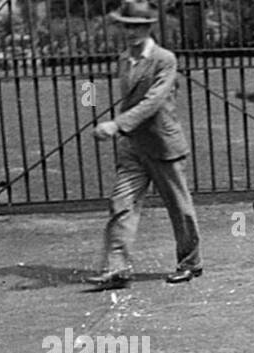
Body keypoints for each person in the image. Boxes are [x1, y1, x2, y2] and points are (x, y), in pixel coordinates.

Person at [87, 1, 202, 290]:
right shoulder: (124, 59)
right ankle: (117, 268)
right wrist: (124, 129)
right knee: (121, 204)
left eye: (137, 27)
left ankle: (190, 263)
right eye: (127, 26)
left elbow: (154, 101)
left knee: (180, 208)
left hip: (163, 144)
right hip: (133, 147)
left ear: (149, 27)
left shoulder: (165, 59)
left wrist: (117, 124)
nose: (131, 32)